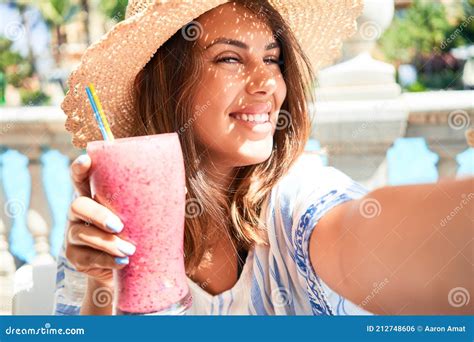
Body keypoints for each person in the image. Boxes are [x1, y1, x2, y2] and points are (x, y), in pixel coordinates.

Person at [55, 0, 473, 315]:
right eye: (231, 58)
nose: (266, 83)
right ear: (167, 82)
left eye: (272, 59)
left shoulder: (297, 201)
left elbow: (372, 237)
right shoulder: (102, 232)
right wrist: (103, 284)